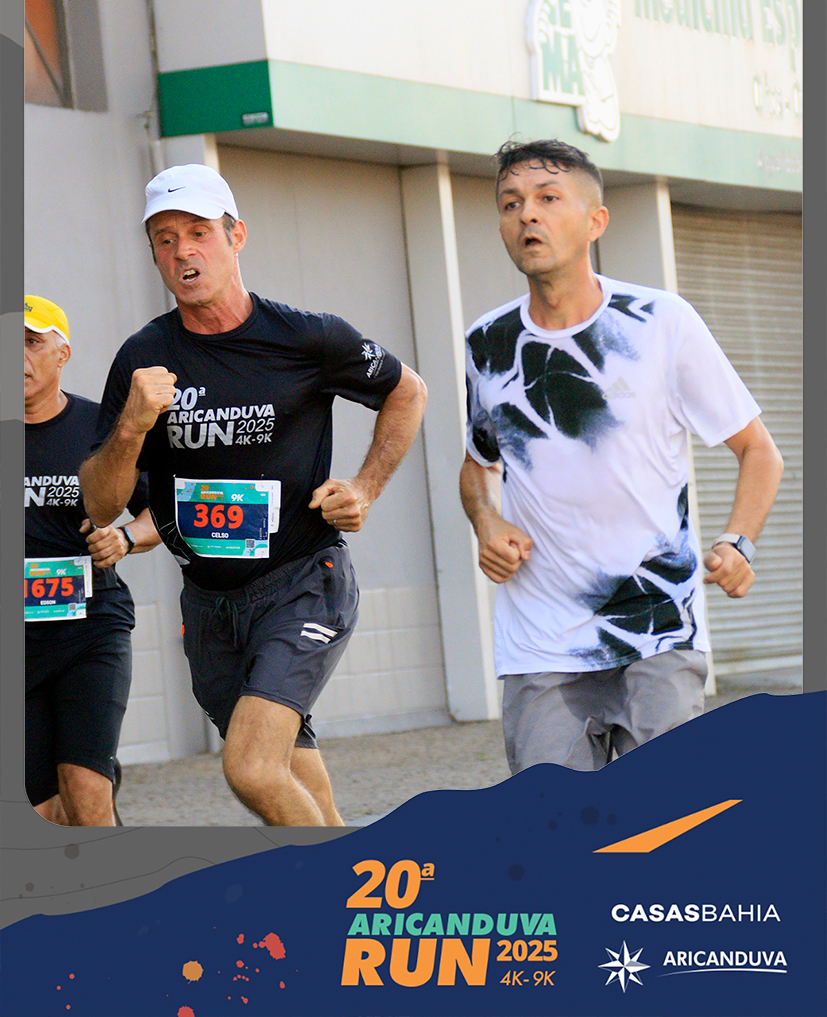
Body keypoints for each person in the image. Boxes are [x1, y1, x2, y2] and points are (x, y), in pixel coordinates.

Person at [79, 164, 427, 827]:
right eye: (164, 239)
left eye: (199, 233)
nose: (183, 252)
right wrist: (130, 426)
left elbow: (407, 390)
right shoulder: (143, 356)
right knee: (292, 774)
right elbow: (99, 504)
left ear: (236, 236)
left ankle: (332, 887)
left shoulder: (306, 337)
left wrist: (364, 487)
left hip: (303, 580)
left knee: (251, 767)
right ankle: (354, 880)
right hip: (210, 604)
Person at [460, 139, 784, 773]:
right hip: (540, 641)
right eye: (511, 203)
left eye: (548, 199)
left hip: (656, 626)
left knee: (663, 823)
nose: (528, 214)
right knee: (547, 826)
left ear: (595, 221)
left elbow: (759, 451)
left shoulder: (661, 321)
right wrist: (487, 521)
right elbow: (477, 464)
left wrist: (739, 541)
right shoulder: (487, 341)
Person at [25, 296, 161, 826]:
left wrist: (125, 538)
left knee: (84, 788)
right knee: (41, 810)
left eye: (31, 342)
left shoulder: (98, 428)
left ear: (63, 353)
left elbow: (163, 511)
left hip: (91, 628)